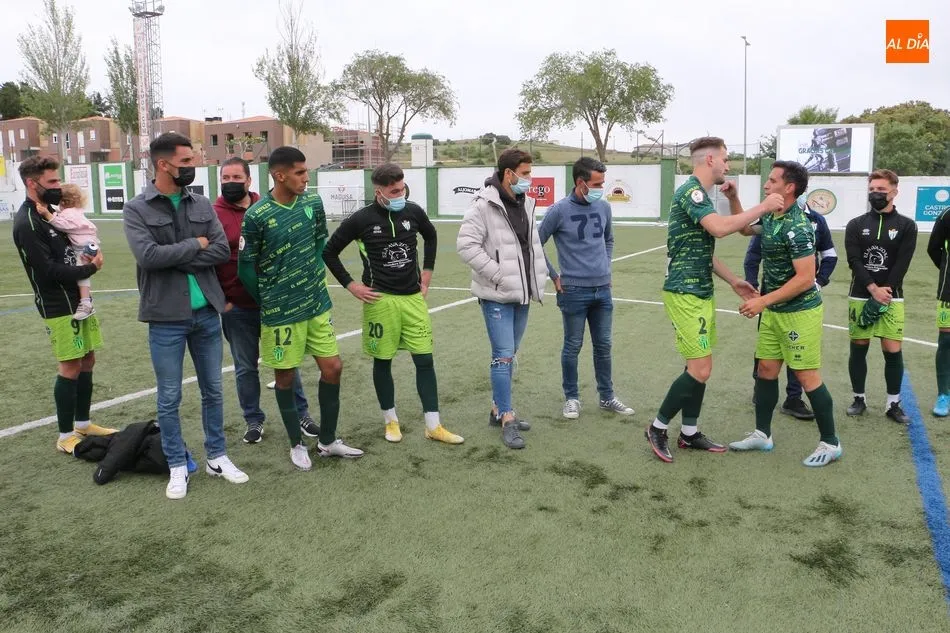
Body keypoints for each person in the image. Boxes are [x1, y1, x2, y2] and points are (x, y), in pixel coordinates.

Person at [124, 132, 249, 499]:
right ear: (164, 165)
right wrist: (195, 244)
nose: (193, 167)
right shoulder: (136, 209)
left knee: (213, 390)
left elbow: (221, 250)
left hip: (207, 313)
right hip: (165, 318)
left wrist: (176, 255)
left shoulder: (202, 204)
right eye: (186, 162)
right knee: (169, 397)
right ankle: (176, 463)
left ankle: (217, 456)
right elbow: (149, 257)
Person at [645, 136, 784, 463]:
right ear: (710, 160)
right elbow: (721, 229)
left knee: (698, 365)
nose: (728, 165)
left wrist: (734, 280)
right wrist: (763, 206)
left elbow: (703, 251)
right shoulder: (691, 192)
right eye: (725, 158)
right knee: (701, 368)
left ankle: (689, 432)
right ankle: (657, 427)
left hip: (701, 291)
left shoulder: (702, 195)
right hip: (684, 293)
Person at [238, 146, 364, 470]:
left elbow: (321, 242)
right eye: (300, 172)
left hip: (316, 303)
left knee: (333, 368)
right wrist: (267, 299)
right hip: (281, 312)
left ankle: (328, 441)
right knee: (285, 377)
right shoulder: (256, 216)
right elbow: (246, 267)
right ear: (279, 175)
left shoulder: (313, 203)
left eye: (306, 171)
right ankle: (296, 443)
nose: (307, 178)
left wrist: (314, 275)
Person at [323, 163, 463, 445]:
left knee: (424, 360)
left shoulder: (413, 211)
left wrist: (427, 273)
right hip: (380, 301)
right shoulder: (361, 219)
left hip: (413, 299)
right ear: (379, 192)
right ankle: (391, 421)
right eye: (394, 191)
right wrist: (351, 285)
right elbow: (329, 252)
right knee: (383, 361)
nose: (401, 195)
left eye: (402, 189)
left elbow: (431, 236)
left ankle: (433, 425)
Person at [729, 160, 842, 467]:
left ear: (789, 187)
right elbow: (743, 228)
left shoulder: (798, 226)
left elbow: (805, 278)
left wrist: (762, 301)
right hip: (774, 311)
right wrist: (733, 198)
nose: (766, 185)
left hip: (799, 313)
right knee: (766, 369)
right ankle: (762, 434)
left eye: (772, 181)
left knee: (806, 376)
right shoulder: (771, 215)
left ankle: (831, 443)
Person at [12, 155, 114, 454]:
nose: (58, 186)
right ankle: (66, 435)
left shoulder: (51, 213)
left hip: (79, 299)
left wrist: (88, 256)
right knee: (70, 365)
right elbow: (47, 270)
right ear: (32, 183)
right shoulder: (28, 222)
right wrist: (91, 268)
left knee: (88, 360)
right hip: (58, 304)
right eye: (52, 181)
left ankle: (83, 424)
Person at [212, 157, 318, 444]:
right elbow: (207, 262)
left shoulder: (267, 208)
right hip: (238, 307)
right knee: (246, 367)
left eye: (237, 177)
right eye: (225, 178)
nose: (230, 183)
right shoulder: (213, 215)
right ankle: (253, 420)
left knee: (287, 361)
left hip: (277, 303)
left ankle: (301, 414)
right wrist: (222, 300)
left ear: (249, 180)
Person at [457, 148, 548, 450]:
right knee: (503, 355)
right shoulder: (483, 204)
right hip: (496, 294)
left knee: (511, 354)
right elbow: (466, 246)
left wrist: (539, 277)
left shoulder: (527, 203)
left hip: (522, 294)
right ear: (508, 174)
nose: (530, 179)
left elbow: (531, 247)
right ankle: (507, 417)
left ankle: (497, 409)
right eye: (525, 173)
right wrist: (498, 274)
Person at [538, 157, 634, 419]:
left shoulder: (603, 207)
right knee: (572, 346)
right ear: (581, 183)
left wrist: (606, 266)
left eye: (602, 183)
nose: (601, 188)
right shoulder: (559, 210)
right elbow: (535, 243)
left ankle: (607, 397)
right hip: (573, 291)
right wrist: (554, 275)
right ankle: (572, 398)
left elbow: (609, 239)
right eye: (597, 184)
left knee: (604, 346)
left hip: (603, 290)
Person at [744, 192, 838, 419]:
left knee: (798, 355)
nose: (768, 187)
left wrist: (819, 282)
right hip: (771, 299)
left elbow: (829, 255)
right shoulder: (770, 218)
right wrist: (752, 285)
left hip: (801, 303)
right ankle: (760, 386)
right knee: (766, 349)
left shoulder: (816, 220)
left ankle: (794, 398)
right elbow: (753, 254)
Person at [843, 169, 917, 424]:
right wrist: (873, 288)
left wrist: (885, 289)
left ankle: (893, 403)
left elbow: (902, 262)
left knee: (892, 349)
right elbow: (854, 260)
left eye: (881, 190)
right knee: (859, 346)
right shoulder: (855, 224)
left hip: (892, 296)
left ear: (894, 192)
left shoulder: (907, 225)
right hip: (860, 294)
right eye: (872, 189)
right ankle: (858, 399)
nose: (875, 194)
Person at [32, 183, 100, 320]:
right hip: (89, 244)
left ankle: (86, 304)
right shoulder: (75, 211)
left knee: (82, 275)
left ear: (64, 202)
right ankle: (86, 300)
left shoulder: (70, 213)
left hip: (83, 248)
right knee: (82, 274)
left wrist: (47, 214)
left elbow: (62, 225)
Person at [927, 204, 950, 417]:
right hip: (948, 291)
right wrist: (946, 270)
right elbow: (933, 249)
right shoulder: (946, 215)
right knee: (946, 341)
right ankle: (944, 393)